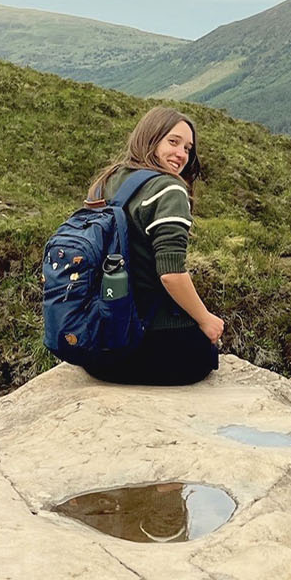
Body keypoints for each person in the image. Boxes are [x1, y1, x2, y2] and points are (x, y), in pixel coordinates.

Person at [77, 106, 223, 385]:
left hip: (97, 348)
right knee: (206, 353)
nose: (182, 154)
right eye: (173, 142)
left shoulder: (105, 182)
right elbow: (171, 275)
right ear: (150, 138)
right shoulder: (169, 190)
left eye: (188, 148)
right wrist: (206, 320)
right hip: (147, 342)